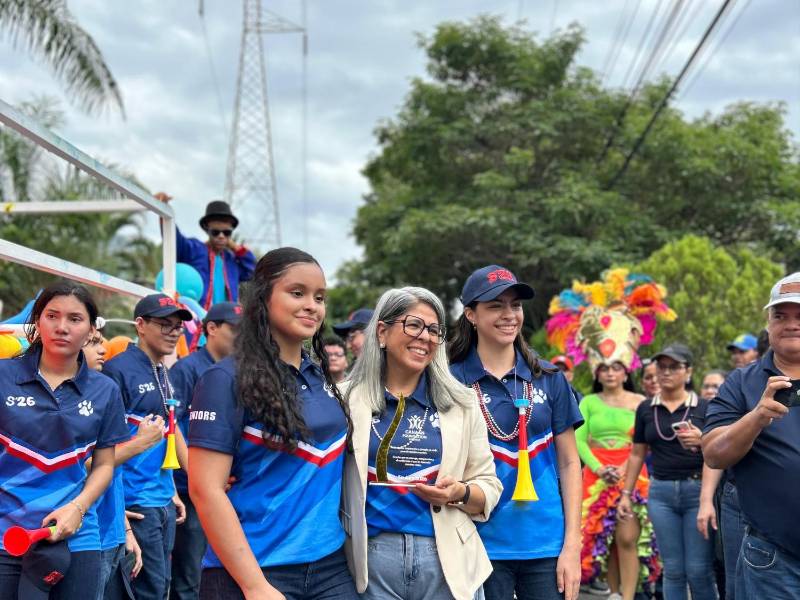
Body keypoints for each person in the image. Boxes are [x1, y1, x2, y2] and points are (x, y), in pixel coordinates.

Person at [188, 247, 357, 599]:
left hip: (330, 567)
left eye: (320, 297)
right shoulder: (225, 379)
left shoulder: (319, 377)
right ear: (263, 297)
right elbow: (205, 489)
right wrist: (254, 586)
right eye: (297, 293)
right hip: (254, 570)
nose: (312, 305)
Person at [343, 285, 502, 600]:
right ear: (382, 333)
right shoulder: (344, 399)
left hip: (446, 562)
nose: (425, 337)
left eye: (433, 329)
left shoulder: (463, 403)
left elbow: (489, 485)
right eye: (413, 325)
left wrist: (460, 492)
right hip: (369, 563)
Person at [448, 265, 583, 600]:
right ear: (471, 315)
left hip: (546, 546)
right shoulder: (449, 381)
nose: (509, 315)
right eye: (495, 305)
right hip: (476, 541)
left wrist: (572, 545)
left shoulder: (549, 377)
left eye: (515, 305)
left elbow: (569, 463)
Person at [0, 281, 129, 599]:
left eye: (74, 319)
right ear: (37, 321)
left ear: (89, 329)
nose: (61, 327)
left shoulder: (105, 390)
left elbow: (103, 465)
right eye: (52, 316)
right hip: (6, 536)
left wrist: (78, 508)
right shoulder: (3, 376)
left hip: (77, 537)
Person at [702, 272, 800, 598]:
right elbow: (713, 454)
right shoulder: (742, 383)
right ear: (768, 325)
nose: (791, 324)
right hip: (772, 554)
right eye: (780, 316)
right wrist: (756, 418)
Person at [103, 294, 193, 600]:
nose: (173, 332)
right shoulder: (119, 370)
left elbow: (170, 431)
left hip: (161, 499)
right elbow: (102, 447)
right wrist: (117, 508)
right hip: (136, 504)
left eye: (178, 326)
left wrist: (174, 490)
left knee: (161, 587)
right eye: (164, 324)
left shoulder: (163, 371)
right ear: (140, 325)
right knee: (147, 592)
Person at [618, 343, 719, 600]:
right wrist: (626, 494)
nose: (666, 373)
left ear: (688, 372)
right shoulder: (646, 408)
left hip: (697, 490)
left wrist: (707, 499)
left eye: (674, 367)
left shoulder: (704, 407)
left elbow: (715, 456)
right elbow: (637, 452)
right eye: (661, 367)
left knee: (698, 570)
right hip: (661, 492)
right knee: (672, 570)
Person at [169, 301, 241, 600]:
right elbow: (172, 427)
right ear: (211, 328)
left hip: (230, 488)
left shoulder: (241, 371)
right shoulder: (187, 369)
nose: (243, 336)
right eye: (235, 329)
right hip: (193, 488)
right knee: (190, 572)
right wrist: (202, 474)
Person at [156, 193, 256, 308]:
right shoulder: (196, 249)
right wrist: (163, 211)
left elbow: (253, 271)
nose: (221, 236)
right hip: (200, 319)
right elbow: (175, 241)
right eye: (216, 232)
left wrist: (234, 246)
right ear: (207, 230)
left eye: (226, 232)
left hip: (226, 323)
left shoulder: (231, 260)